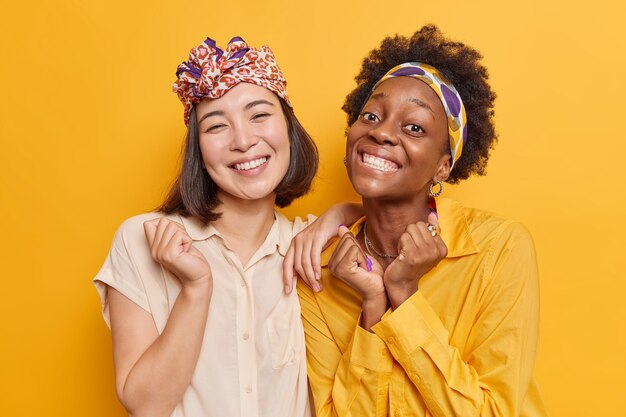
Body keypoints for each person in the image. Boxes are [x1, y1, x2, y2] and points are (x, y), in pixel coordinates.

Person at [286, 25, 549, 417]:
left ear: (443, 166)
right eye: (371, 115)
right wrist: (373, 305)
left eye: (414, 128)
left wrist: (405, 296)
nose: (381, 133)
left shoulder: (498, 249)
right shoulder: (317, 272)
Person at [94, 36, 361, 417]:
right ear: (198, 151)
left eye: (259, 115)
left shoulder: (313, 247)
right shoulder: (142, 240)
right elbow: (146, 405)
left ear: (288, 129)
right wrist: (195, 289)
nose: (243, 140)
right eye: (217, 126)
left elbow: (398, 218)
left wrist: (338, 214)